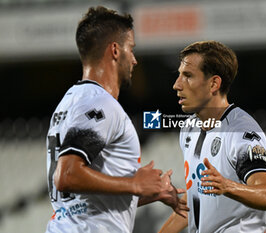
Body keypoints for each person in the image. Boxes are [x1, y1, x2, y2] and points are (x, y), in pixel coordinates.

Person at [45, 6, 188, 233]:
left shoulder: (71, 102)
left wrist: (147, 192)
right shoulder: (99, 103)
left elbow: (84, 203)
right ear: (115, 50)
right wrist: (135, 183)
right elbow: (67, 175)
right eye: (131, 49)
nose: (134, 60)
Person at [159, 41, 266, 233]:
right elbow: (195, 198)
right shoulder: (189, 128)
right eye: (179, 75)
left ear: (214, 83)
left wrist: (228, 186)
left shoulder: (241, 132)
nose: (176, 85)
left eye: (188, 76)